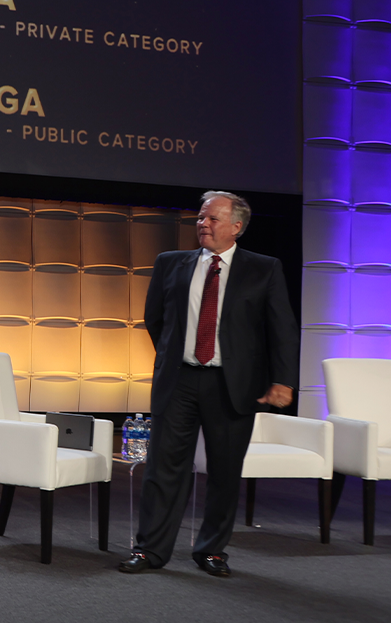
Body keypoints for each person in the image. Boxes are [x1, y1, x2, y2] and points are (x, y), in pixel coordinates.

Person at [119, 191, 297, 578]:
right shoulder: (171, 263)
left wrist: (283, 380)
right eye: (201, 218)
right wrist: (173, 356)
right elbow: (156, 320)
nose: (203, 224)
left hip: (232, 385)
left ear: (237, 227)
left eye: (213, 219)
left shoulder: (263, 268)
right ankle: (150, 549)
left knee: (224, 471)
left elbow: (281, 329)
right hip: (179, 380)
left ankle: (212, 550)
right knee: (163, 468)